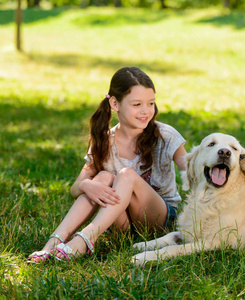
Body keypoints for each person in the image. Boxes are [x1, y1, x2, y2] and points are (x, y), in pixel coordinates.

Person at [27, 67, 187, 263]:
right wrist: (88, 184)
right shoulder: (105, 140)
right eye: (137, 104)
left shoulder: (166, 136)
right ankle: (52, 243)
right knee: (102, 178)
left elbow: (192, 171)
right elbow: (76, 188)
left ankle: (85, 239)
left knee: (126, 175)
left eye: (151, 103)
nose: (146, 111)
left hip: (159, 220)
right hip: (120, 225)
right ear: (114, 103)